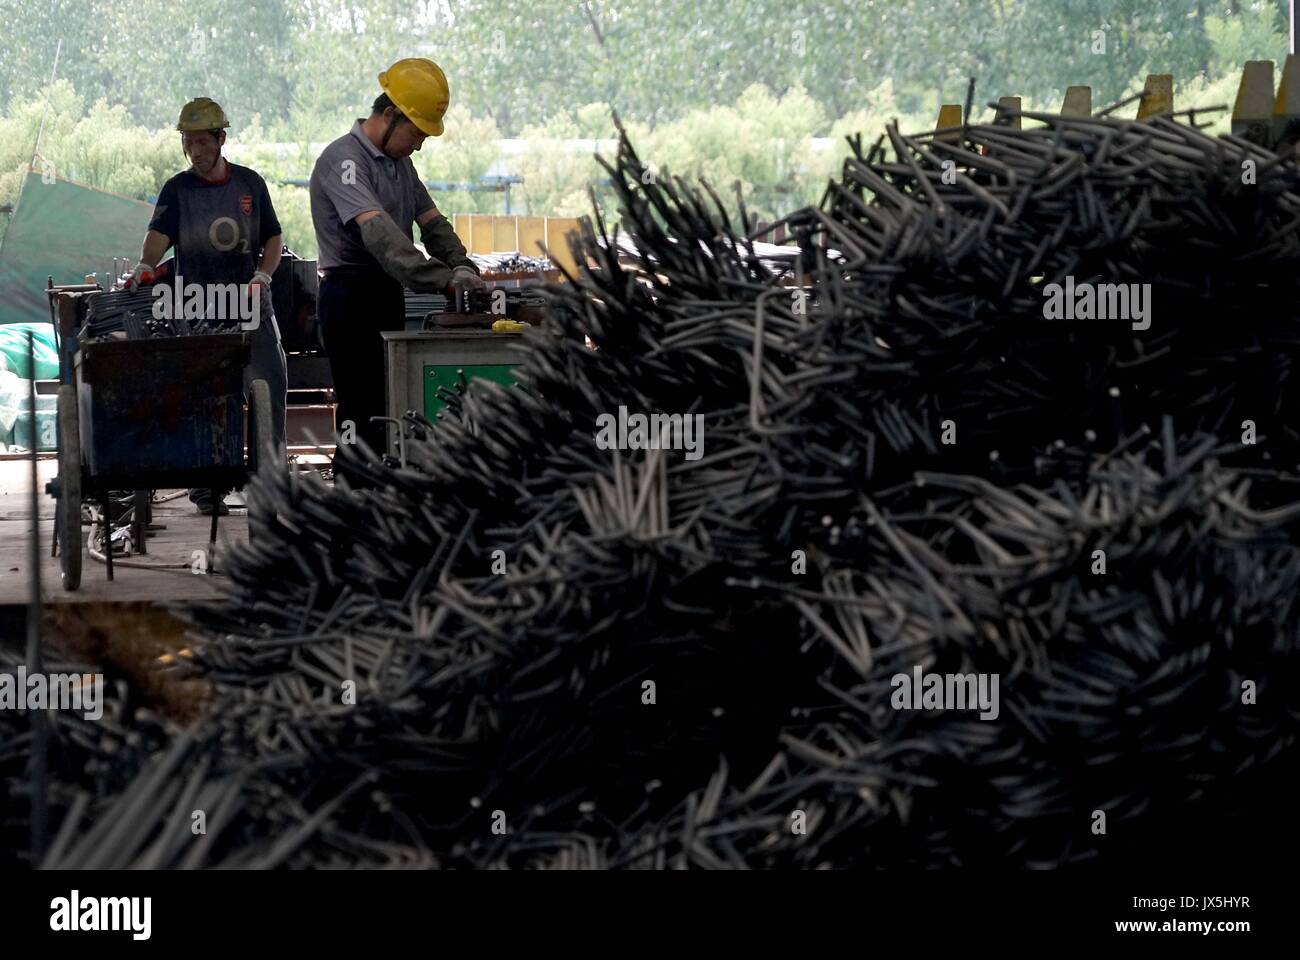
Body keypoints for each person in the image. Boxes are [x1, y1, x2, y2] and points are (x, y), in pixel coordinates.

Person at [309, 57, 483, 471]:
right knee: (360, 405)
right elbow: (383, 240)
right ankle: (353, 494)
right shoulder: (344, 162)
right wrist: (445, 282)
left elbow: (432, 224)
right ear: (390, 115)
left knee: (392, 402)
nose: (419, 144)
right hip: (348, 298)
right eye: (416, 133)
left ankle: (387, 492)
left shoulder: (401, 165)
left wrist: (464, 268)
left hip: (386, 293)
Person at [128, 97, 288, 515]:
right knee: (212, 398)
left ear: (221, 139)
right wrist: (146, 266)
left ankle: (269, 483)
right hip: (198, 308)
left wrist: (264, 275)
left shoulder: (250, 185)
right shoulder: (177, 190)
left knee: (269, 386)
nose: (195, 150)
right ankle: (207, 488)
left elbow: (273, 236)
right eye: (188, 142)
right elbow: (156, 240)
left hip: (251, 304)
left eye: (202, 141)